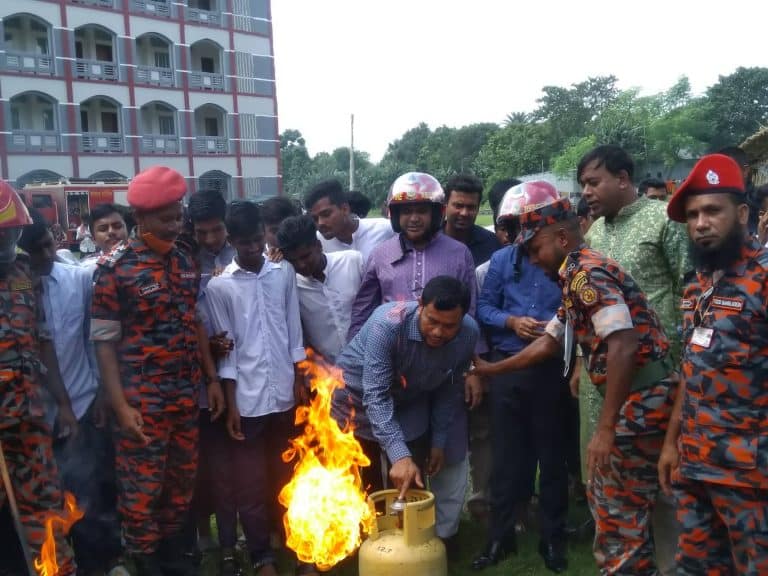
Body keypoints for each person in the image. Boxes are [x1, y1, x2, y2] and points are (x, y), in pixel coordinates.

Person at [473, 194, 676, 576]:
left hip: (641, 403)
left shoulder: (587, 275)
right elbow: (551, 340)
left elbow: (622, 344)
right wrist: (493, 370)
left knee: (617, 514)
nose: (532, 260)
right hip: (642, 399)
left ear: (562, 240)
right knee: (628, 507)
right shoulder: (573, 274)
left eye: (535, 249)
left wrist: (605, 428)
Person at [91, 166, 218, 575]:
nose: (176, 225)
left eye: (178, 216)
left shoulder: (183, 260)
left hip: (183, 397)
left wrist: (211, 380)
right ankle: (142, 563)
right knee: (141, 493)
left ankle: (174, 559)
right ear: (140, 219)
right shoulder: (115, 268)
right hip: (141, 403)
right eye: (167, 219)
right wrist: (120, 406)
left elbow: (193, 321)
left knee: (180, 487)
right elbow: (104, 344)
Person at [578, 144, 690, 574]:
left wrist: (680, 371)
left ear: (623, 178)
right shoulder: (594, 235)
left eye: (594, 182)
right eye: (584, 183)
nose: (586, 191)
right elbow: (586, 311)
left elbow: (688, 294)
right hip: (603, 383)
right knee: (610, 485)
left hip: (658, 384)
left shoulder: (664, 221)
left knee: (662, 484)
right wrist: (576, 364)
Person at [658, 154, 768, 575]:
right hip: (696, 467)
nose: (701, 223)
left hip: (752, 479)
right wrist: (672, 444)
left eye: (712, 211)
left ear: (741, 214)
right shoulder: (698, 284)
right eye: (692, 215)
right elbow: (691, 368)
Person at [18, 208, 125, 576]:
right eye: (37, 252)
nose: (48, 256)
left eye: (50, 245)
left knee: (91, 494)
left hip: (81, 404)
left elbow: (95, 338)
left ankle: (103, 563)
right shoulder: (11, 293)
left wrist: (100, 394)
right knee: (44, 500)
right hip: (27, 418)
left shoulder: (76, 279)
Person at [204, 201, 308, 576]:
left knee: (288, 479)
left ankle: (299, 548)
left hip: (282, 395)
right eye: (243, 243)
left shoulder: (282, 274)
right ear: (230, 241)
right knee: (250, 485)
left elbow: (294, 331)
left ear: (265, 233)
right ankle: (262, 555)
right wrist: (232, 405)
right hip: (246, 403)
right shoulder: (220, 286)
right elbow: (226, 354)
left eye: (257, 241)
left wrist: (299, 377)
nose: (252, 249)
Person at [474, 181, 569, 573]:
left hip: (550, 369)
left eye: (529, 225)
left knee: (552, 459)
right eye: (515, 226)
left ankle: (552, 540)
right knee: (507, 460)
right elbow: (483, 308)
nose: (522, 234)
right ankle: (500, 538)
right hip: (509, 369)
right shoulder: (501, 262)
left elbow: (576, 306)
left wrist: (553, 326)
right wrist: (511, 320)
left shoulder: (565, 259)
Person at [333, 276, 481, 496]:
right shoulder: (387, 325)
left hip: (410, 402)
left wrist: (438, 441)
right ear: (420, 305)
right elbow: (376, 396)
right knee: (363, 491)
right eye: (432, 321)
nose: (438, 332)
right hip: (355, 403)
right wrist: (400, 456)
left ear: (462, 318)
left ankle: (406, 529)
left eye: (449, 326)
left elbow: (449, 388)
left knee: (408, 484)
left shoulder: (469, 334)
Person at [0, 180, 77, 575]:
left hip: (29, 415)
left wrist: (62, 404)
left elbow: (42, 339)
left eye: (10, 235)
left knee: (46, 505)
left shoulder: (23, 271)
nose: (5, 244)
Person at [184, 190, 232, 568]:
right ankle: (203, 533)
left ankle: (235, 535)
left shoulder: (249, 253)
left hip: (236, 376)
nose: (211, 240)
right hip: (198, 381)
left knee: (229, 460)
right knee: (198, 464)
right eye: (202, 232)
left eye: (216, 230)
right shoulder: (183, 259)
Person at [277, 215, 363, 363]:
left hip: (369, 363)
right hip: (329, 376)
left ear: (318, 246)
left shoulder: (353, 262)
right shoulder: (291, 286)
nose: (301, 265)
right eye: (293, 261)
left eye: (305, 256)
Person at [305, 179, 394, 262]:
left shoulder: (385, 229)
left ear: (345, 209)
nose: (320, 223)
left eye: (326, 214)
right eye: (315, 218)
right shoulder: (316, 243)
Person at [442, 174, 501, 267]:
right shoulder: (430, 241)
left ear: (478, 208)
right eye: (458, 206)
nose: (464, 213)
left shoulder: (492, 243)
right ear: (445, 205)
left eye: (471, 207)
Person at [79, 204, 129, 270]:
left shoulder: (143, 261)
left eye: (117, 226)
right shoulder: (87, 269)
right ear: (94, 239)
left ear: (127, 230)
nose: (111, 232)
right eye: (103, 229)